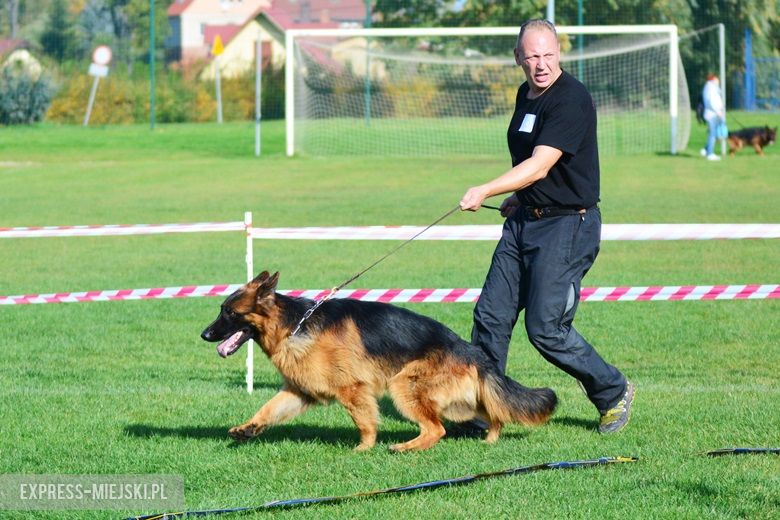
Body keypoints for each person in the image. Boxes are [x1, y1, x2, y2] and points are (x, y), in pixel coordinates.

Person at [458, 19, 633, 434]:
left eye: (548, 55)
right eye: (532, 56)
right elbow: (531, 164)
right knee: (491, 317)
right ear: (518, 58)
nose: (541, 64)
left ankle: (613, 391)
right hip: (525, 222)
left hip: (568, 226)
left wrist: (486, 188)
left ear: (559, 53)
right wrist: (519, 196)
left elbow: (539, 165)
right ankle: (483, 409)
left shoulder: (571, 99)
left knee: (546, 329)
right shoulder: (525, 94)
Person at [700, 74, 725, 161]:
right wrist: (717, 111)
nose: (718, 81)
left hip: (715, 114)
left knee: (714, 133)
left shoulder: (712, 88)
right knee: (713, 134)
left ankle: (705, 150)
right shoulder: (710, 88)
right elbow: (711, 101)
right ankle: (709, 154)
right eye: (716, 80)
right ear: (713, 79)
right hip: (712, 114)